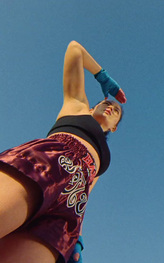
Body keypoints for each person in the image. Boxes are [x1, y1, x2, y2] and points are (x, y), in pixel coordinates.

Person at [0, 40, 127, 263]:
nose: (111, 107)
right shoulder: (76, 106)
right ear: (91, 107)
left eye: (116, 111)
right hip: (44, 165)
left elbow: (86, 193)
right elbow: (74, 49)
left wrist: (77, 236)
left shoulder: (104, 159)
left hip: (70, 205)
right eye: (107, 104)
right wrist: (101, 75)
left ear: (115, 127)